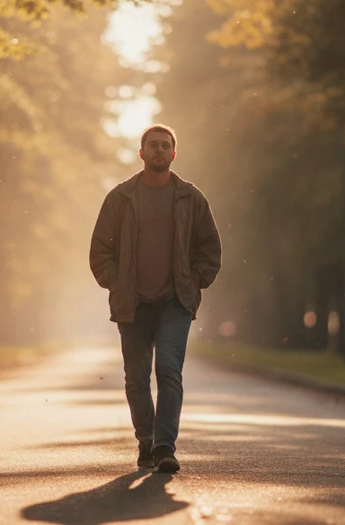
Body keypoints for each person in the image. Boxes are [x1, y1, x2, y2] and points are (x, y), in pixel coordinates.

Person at [89, 124, 222, 474]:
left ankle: (165, 447)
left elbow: (210, 249)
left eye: (166, 146)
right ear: (142, 152)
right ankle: (145, 439)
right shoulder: (120, 198)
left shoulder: (192, 198)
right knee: (136, 377)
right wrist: (116, 284)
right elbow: (100, 250)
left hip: (174, 302)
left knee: (168, 370)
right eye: (153, 145)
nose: (159, 150)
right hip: (132, 302)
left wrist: (193, 284)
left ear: (174, 154)